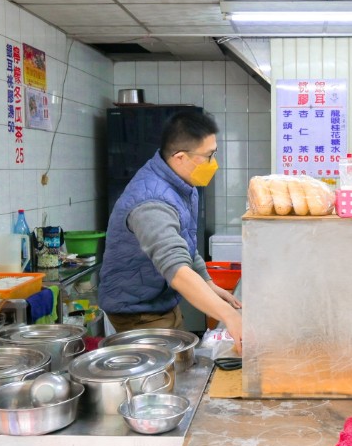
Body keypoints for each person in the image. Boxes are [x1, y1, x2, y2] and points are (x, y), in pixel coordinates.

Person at [98, 111, 243, 348]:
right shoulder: (151, 203)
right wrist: (229, 315)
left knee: (184, 360)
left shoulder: (181, 183)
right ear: (180, 158)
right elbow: (176, 269)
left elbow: (184, 243)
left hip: (159, 301)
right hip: (138, 312)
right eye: (208, 155)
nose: (213, 162)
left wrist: (208, 284)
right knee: (166, 378)